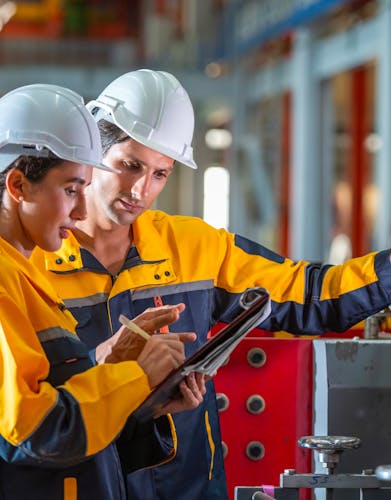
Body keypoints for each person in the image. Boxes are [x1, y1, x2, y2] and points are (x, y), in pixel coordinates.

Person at [31, 69, 391, 499]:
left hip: (186, 487)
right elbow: (25, 408)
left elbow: (312, 295)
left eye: (160, 174)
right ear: (93, 152)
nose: (141, 190)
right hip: (79, 484)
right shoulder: (31, 263)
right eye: (130, 165)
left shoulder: (195, 247)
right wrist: (101, 364)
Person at [0, 82, 206, 500]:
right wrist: (136, 375)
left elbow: (70, 426)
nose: (79, 212)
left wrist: (143, 404)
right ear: (18, 185)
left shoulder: (26, 278)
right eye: (71, 189)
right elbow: (37, 434)